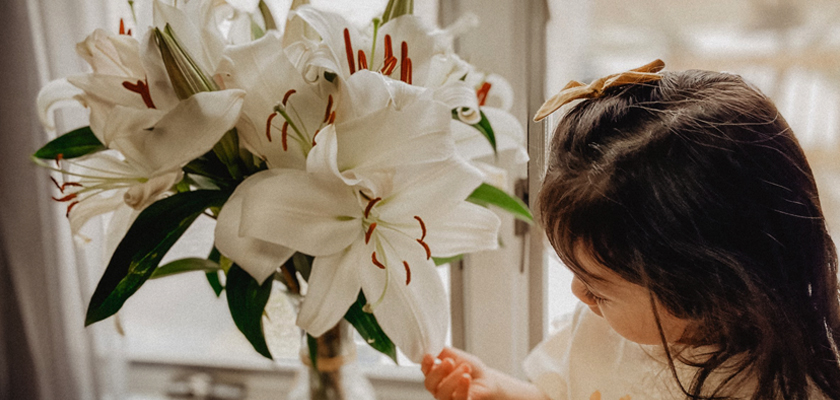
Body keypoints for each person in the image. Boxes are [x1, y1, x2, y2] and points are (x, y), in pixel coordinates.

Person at [421, 60, 840, 400]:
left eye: (598, 288)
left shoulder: (780, 388)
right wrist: (502, 392)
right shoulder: (601, 330)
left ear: (704, 287)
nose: (579, 296)